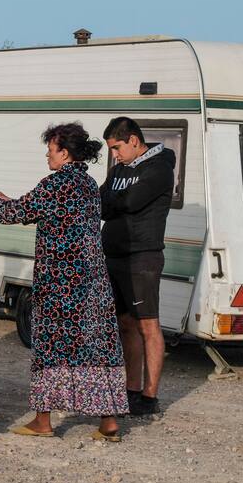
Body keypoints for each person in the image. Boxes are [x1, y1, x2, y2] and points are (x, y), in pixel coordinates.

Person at [0, 123, 128, 440]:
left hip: (59, 283)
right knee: (96, 347)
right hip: (92, 282)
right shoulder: (88, 184)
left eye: (51, 150)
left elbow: (17, 212)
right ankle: (108, 422)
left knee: (51, 347)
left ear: (64, 153)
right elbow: (38, 209)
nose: (47, 156)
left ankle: (42, 421)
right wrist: (5, 200)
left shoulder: (55, 184)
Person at [100, 117, 175, 416]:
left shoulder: (160, 168)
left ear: (133, 140)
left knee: (148, 325)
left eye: (117, 147)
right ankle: (131, 391)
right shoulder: (119, 169)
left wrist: (115, 201)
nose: (114, 154)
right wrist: (115, 201)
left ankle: (149, 396)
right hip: (114, 255)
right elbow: (101, 203)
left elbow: (131, 201)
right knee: (125, 324)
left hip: (143, 257)